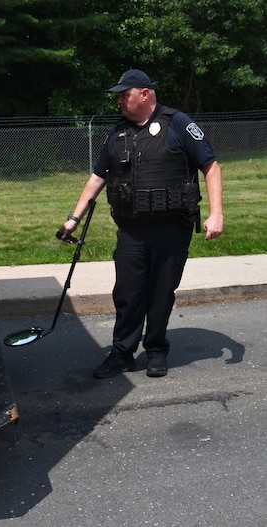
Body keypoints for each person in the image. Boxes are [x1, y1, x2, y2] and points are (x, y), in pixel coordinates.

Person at [57, 69, 223, 379]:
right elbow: (98, 177)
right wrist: (73, 219)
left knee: (161, 292)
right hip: (132, 229)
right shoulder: (118, 133)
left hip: (172, 227)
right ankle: (122, 353)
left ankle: (157, 349)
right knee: (128, 293)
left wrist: (217, 214)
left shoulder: (179, 123)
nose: (119, 101)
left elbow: (210, 166)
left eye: (124, 95)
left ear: (144, 94)